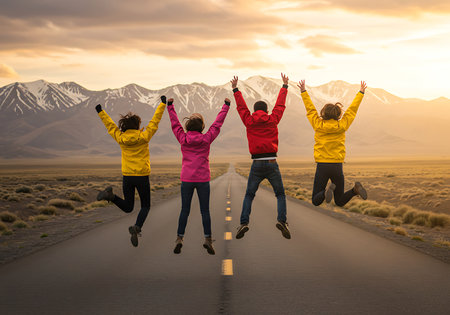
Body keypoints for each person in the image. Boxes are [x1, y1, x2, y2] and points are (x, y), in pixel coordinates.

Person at [95, 97, 167, 247]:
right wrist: (162, 104)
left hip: (127, 177)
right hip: (141, 176)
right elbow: (155, 122)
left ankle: (111, 196)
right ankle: (136, 227)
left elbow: (110, 126)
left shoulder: (120, 138)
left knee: (128, 207)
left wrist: (101, 112)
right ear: (137, 125)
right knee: (145, 206)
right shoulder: (144, 137)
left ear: (124, 127)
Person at [167, 97, 230, 255]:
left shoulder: (183, 138)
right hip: (202, 180)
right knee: (205, 211)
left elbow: (175, 124)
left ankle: (179, 238)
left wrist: (170, 106)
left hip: (187, 179)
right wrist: (226, 106)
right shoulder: (206, 138)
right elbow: (217, 124)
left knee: (184, 210)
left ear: (187, 127)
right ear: (202, 127)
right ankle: (208, 240)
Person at [232, 74, 291, 240]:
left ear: (254, 111)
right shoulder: (272, 120)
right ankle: (282, 221)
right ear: (266, 111)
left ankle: (244, 223)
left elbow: (241, 108)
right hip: (272, 162)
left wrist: (235, 89)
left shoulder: (249, 121)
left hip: (256, 164)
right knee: (280, 194)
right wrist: (284, 86)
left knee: (249, 195)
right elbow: (280, 106)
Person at [298, 80, 368, 207]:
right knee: (340, 201)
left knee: (315, 200)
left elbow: (310, 109)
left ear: (323, 113)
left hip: (322, 166)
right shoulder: (342, 125)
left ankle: (325, 193)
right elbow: (352, 110)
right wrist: (361, 93)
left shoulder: (318, 124)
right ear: (338, 114)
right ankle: (355, 190)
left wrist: (303, 92)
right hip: (337, 166)